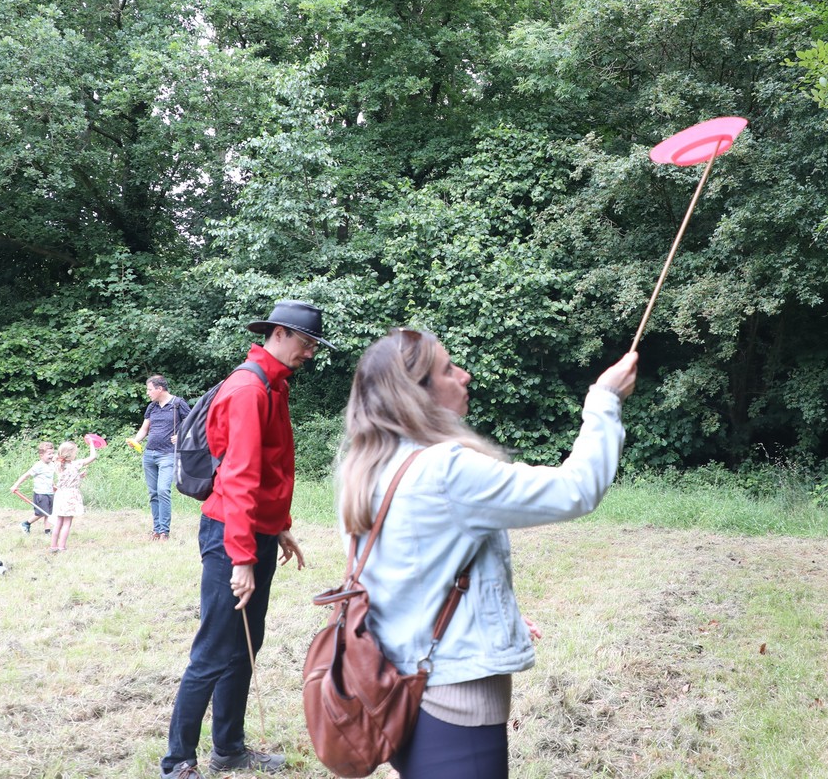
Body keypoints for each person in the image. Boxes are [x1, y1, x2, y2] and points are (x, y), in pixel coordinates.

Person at [335, 328, 637, 779]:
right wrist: (605, 399)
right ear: (415, 393)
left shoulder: (368, 467)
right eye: (448, 369)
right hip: (452, 699)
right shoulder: (445, 470)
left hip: (391, 688)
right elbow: (576, 489)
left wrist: (489, 614)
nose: (465, 375)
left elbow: (411, 577)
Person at [161, 300, 330, 779]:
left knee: (245, 645)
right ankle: (177, 763)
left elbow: (269, 469)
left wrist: (279, 526)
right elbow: (237, 479)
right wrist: (241, 558)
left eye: (314, 345)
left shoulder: (275, 385)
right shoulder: (248, 390)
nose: (310, 353)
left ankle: (229, 750)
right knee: (214, 650)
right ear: (279, 334)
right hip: (230, 535)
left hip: (257, 531)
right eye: (306, 342)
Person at [132, 375, 191, 540]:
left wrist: (181, 436)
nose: (147, 392)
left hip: (168, 454)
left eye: (150, 389)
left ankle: (165, 531)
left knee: (163, 490)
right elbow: (144, 429)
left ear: (160, 389)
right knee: (153, 493)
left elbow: (193, 424)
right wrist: (135, 440)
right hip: (149, 454)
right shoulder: (152, 407)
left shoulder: (178, 404)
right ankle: (157, 530)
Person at [48, 439, 98, 552]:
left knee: (58, 522)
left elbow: (66, 479)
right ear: (70, 453)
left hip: (60, 495)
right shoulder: (75, 464)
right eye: (75, 452)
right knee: (67, 522)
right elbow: (93, 456)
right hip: (70, 496)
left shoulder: (58, 465)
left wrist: (78, 476)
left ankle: (53, 546)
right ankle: (62, 547)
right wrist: (91, 443)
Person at [9, 441, 57, 535]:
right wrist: (16, 485)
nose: (51, 456)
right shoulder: (39, 466)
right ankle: (26, 524)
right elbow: (26, 475)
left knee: (48, 513)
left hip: (50, 492)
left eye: (52, 453)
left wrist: (53, 485)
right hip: (40, 493)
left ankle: (47, 531)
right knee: (41, 513)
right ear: (41, 455)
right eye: (49, 454)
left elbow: (49, 477)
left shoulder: (52, 465)